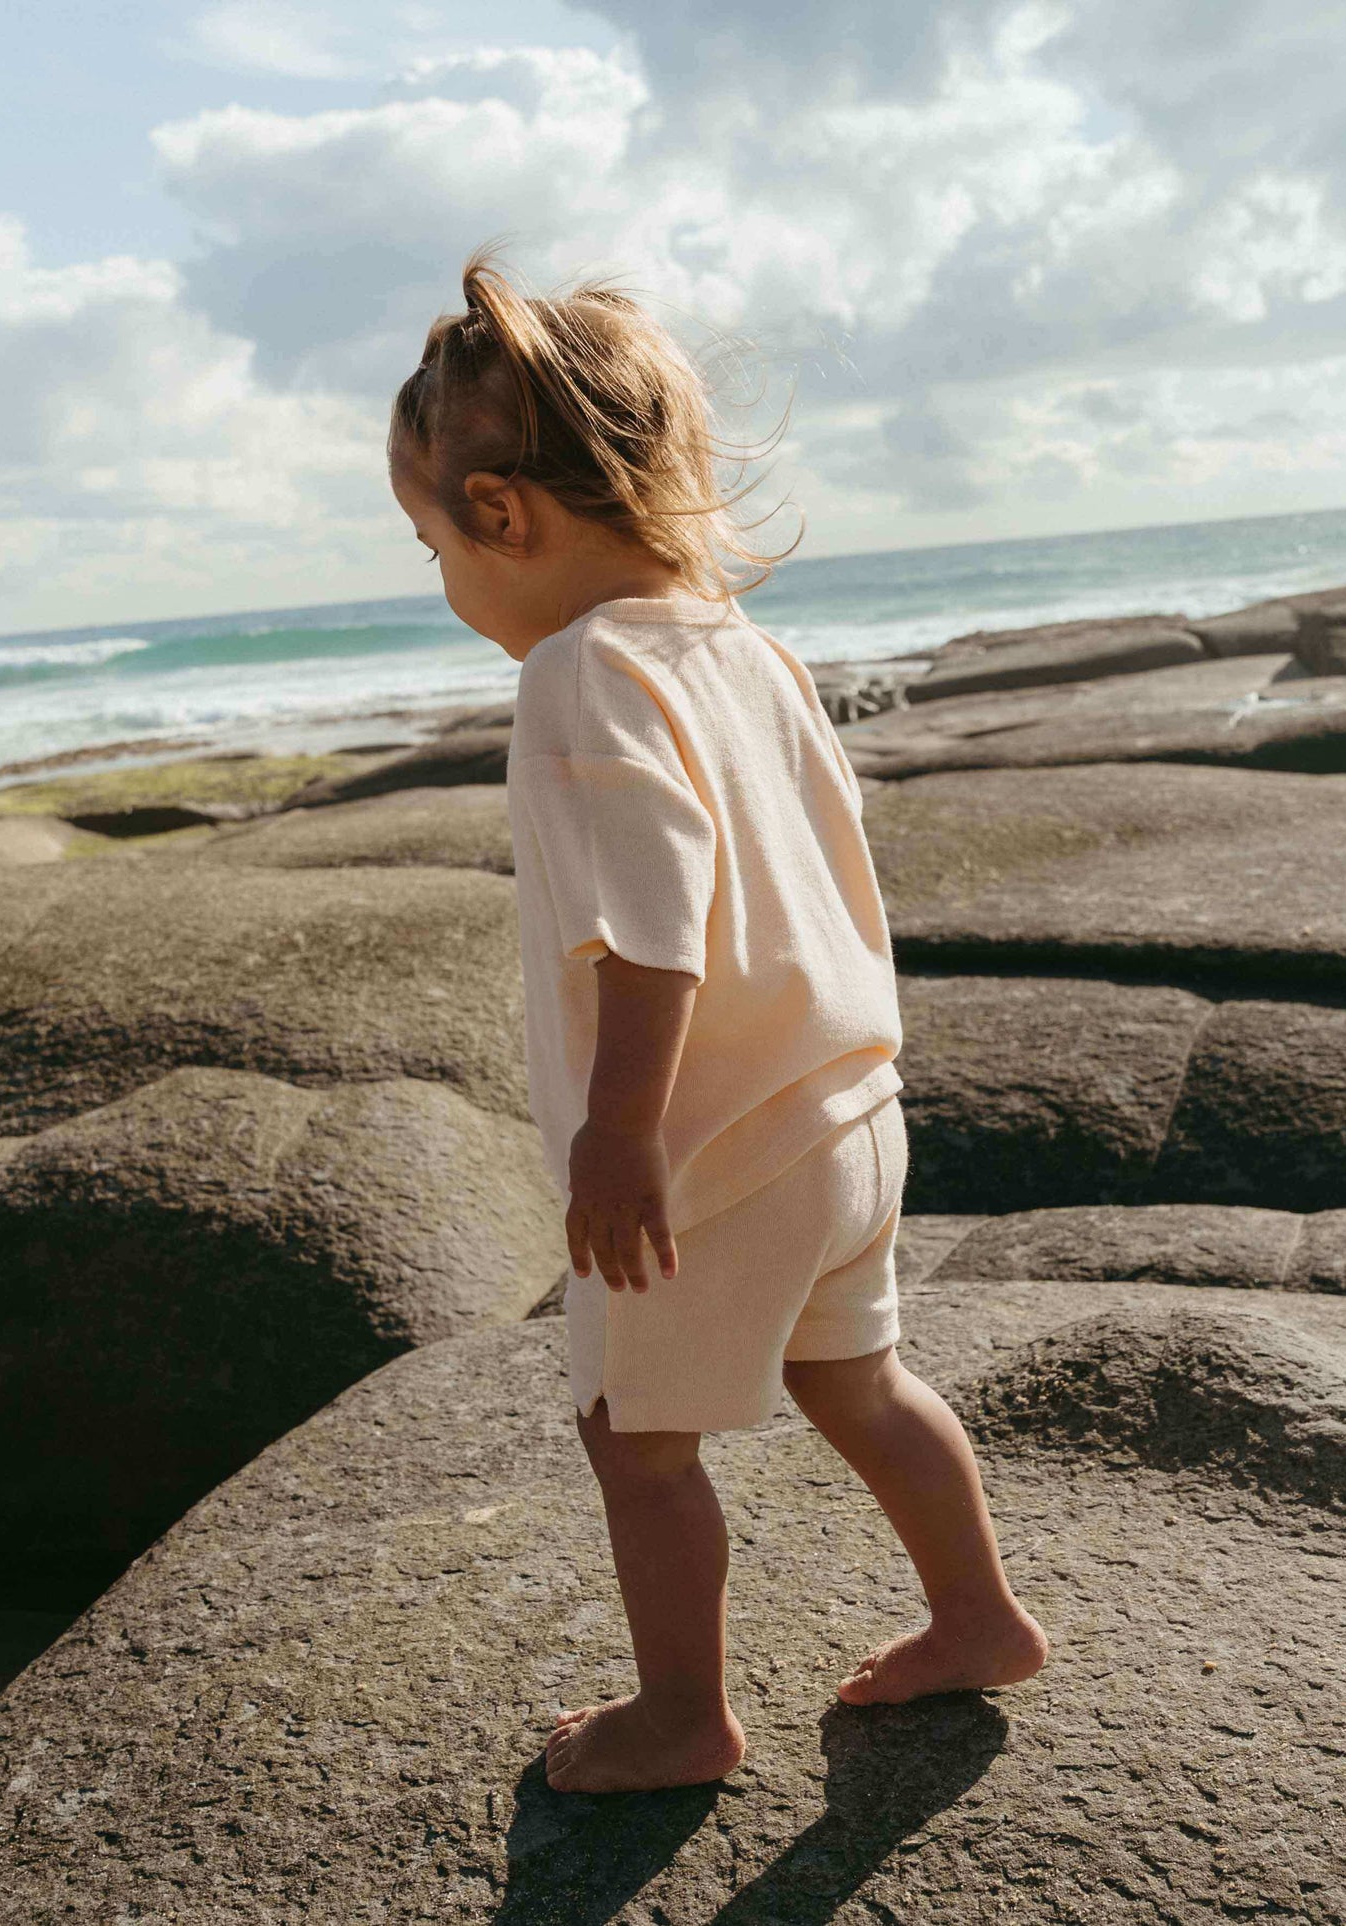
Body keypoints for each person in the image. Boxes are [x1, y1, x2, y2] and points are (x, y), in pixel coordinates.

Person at [388, 246, 1048, 1796]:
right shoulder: (750, 653)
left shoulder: (580, 671)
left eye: (429, 544)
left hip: (705, 1154)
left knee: (637, 1439)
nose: (444, 580)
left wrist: (618, 1134)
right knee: (861, 1383)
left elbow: (652, 922)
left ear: (500, 513)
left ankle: (682, 1715)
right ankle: (976, 1613)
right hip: (843, 1113)